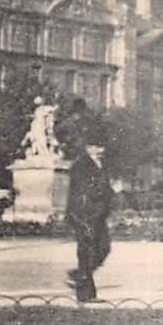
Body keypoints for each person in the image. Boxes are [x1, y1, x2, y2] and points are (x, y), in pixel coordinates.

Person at [65, 125, 113, 304]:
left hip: (97, 215)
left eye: (103, 146)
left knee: (103, 249)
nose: (102, 149)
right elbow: (84, 190)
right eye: (98, 146)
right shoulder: (81, 164)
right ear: (89, 147)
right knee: (87, 252)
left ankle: (79, 276)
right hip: (84, 216)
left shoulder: (99, 163)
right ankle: (86, 294)